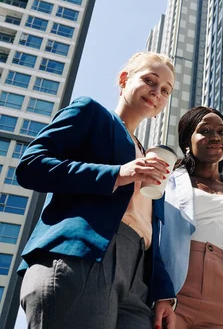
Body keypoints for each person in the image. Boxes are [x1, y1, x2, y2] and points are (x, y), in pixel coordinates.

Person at [17, 52, 177, 329]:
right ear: (124, 80)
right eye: (150, 80)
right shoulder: (90, 112)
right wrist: (117, 173)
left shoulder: (148, 155)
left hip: (137, 279)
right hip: (81, 258)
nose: (157, 92)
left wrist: (163, 293)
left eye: (166, 90)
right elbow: (31, 166)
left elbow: (150, 229)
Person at [157, 106, 223, 329]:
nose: (215, 137)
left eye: (221, 132)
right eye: (204, 131)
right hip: (176, 291)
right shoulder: (167, 182)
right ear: (187, 141)